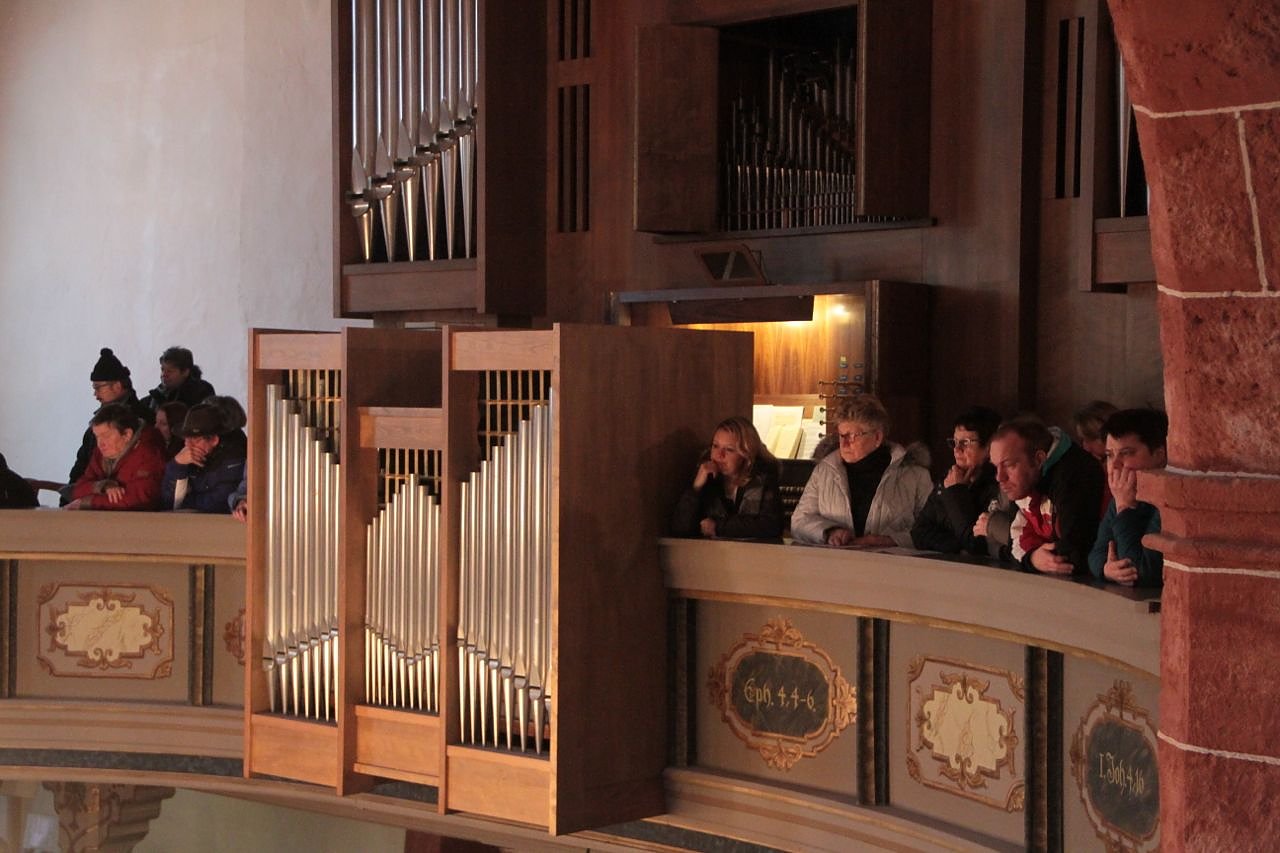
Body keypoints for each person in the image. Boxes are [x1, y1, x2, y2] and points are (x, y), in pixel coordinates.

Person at [791, 394, 931, 547]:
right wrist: (829, 532)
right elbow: (799, 521)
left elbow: (932, 530)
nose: (844, 444)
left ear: (877, 437)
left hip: (890, 561)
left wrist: (888, 541)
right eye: (841, 435)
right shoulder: (824, 471)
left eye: (852, 436)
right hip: (837, 561)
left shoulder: (914, 475)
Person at [988, 417, 1105, 575]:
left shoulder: (1076, 476)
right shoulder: (1025, 480)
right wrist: (1032, 558)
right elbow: (1014, 540)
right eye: (995, 467)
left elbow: (1072, 555)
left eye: (1009, 465)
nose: (999, 477)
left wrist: (1033, 557)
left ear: (1039, 459)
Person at [1088, 409, 1168, 586]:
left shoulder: (1169, 500)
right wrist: (1106, 569)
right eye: (1109, 455)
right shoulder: (1123, 493)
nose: (1115, 465)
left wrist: (1125, 508)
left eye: (1126, 453)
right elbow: (1096, 554)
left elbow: (1141, 571)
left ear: (1159, 455)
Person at [911, 406, 1004, 555]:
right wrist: (958, 547)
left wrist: (956, 493)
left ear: (988, 447)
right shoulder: (949, 478)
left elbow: (977, 545)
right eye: (954, 442)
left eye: (965, 442)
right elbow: (918, 532)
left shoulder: (1000, 484)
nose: (956, 449)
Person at [671, 416, 783, 540]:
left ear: (746, 454)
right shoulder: (706, 475)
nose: (719, 455)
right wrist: (695, 489)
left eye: (729, 449)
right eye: (715, 446)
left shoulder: (763, 478)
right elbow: (680, 529)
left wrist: (719, 527)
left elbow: (771, 525)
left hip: (754, 551)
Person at [64, 348, 154, 501]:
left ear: (117, 386)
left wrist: (87, 501)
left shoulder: (142, 421)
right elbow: (82, 469)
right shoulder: (99, 421)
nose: (95, 394)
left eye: (98, 387)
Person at [64, 403, 166, 511]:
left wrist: (88, 502)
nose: (100, 443)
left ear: (127, 434)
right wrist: (103, 486)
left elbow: (139, 500)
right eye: (97, 437)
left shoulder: (149, 454)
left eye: (106, 436)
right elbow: (78, 490)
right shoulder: (101, 453)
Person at [161, 401, 247, 513]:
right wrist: (177, 465)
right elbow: (169, 503)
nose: (188, 446)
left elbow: (218, 504)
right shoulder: (187, 458)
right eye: (186, 439)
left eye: (195, 440)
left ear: (214, 440)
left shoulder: (233, 459)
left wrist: (187, 502)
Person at [145, 346, 216, 411]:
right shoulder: (158, 393)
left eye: (169, 371)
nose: (164, 375)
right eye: (162, 370)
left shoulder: (201, 392)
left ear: (185, 372)